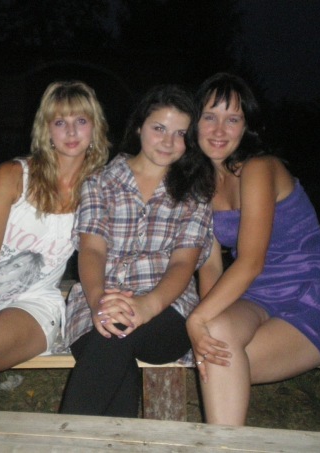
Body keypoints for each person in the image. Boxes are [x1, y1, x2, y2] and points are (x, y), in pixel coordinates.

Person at [0, 80, 110, 410]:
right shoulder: (14, 175)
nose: (71, 131)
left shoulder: (100, 188)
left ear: (94, 127)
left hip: (34, 304)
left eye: (81, 121)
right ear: (47, 129)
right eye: (60, 122)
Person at [186, 73, 320, 426]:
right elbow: (210, 266)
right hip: (256, 297)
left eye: (232, 119)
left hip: (310, 294)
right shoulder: (202, 186)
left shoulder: (260, 168)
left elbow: (250, 262)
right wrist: (205, 320)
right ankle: (226, 445)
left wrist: (196, 319)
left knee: (217, 357)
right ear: (195, 122)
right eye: (210, 116)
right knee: (215, 338)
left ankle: (222, 445)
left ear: (246, 127)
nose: (219, 130)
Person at [59, 85, 213, 417]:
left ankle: (68, 437)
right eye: (159, 128)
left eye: (180, 134)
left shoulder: (194, 195)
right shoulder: (100, 182)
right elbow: (92, 250)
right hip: (98, 301)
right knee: (113, 340)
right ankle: (110, 439)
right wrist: (99, 300)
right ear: (140, 126)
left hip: (167, 309)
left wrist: (146, 305)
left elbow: (183, 264)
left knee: (115, 333)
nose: (168, 141)